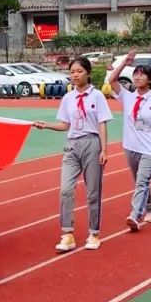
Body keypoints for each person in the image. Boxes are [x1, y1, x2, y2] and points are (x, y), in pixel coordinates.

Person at [33, 57, 112, 251]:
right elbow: (65, 125)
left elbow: (102, 123)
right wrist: (47, 126)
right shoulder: (68, 98)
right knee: (66, 190)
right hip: (72, 145)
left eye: (79, 71)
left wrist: (104, 149)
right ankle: (67, 233)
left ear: (88, 73)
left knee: (93, 192)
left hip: (92, 143)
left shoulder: (97, 96)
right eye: (72, 72)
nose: (75, 75)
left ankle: (94, 233)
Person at [108, 50, 151, 231]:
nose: (137, 77)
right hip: (131, 146)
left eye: (142, 75)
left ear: (149, 80)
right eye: (136, 74)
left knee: (142, 182)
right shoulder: (127, 96)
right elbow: (112, 80)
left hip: (150, 148)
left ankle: (135, 215)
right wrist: (125, 63)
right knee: (140, 182)